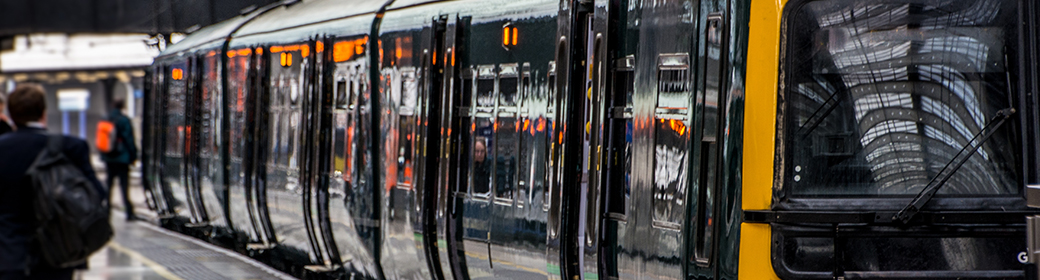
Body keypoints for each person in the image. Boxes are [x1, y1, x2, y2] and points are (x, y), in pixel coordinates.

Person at [0, 84, 104, 280]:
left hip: (8, 256)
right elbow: (96, 194)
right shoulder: (71, 147)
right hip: (59, 254)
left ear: (11, 115)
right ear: (43, 113)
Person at [100, 98, 138, 221]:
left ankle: (106, 211)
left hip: (109, 158)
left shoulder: (106, 118)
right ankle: (129, 213)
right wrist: (133, 156)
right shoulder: (124, 120)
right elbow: (129, 139)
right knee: (124, 186)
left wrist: (103, 155)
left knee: (109, 185)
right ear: (122, 106)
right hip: (122, 158)